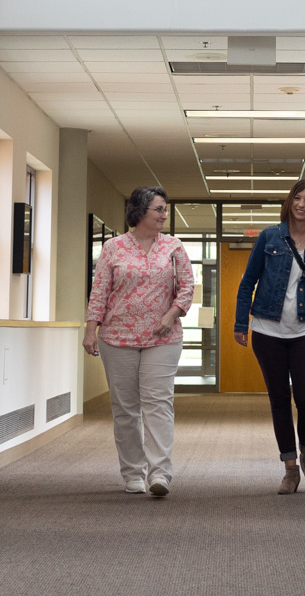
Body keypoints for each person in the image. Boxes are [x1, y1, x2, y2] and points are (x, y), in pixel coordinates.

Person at [84, 185, 193, 497]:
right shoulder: (114, 247)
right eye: (159, 208)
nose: (164, 214)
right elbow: (100, 290)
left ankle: (160, 474)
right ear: (141, 211)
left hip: (163, 337)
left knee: (158, 404)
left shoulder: (173, 246)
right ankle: (133, 472)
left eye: (165, 209)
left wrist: (171, 315)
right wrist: (91, 329)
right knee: (126, 408)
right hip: (117, 337)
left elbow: (187, 286)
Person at [233, 178, 305, 493]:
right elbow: (248, 281)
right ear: (290, 201)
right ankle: (290, 469)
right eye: (298, 198)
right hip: (267, 329)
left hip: (304, 329)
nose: (302, 204)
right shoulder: (269, 237)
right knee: (279, 399)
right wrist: (240, 323)